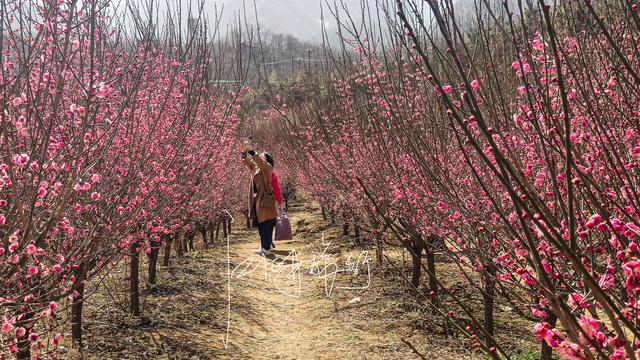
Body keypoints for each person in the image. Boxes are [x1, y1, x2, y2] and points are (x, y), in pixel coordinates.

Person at [241, 141, 283, 255]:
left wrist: (252, 151)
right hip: (256, 200)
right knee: (263, 224)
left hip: (264, 199)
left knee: (264, 224)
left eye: (262, 156)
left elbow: (260, 162)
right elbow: (247, 162)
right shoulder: (256, 168)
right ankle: (267, 245)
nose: (259, 156)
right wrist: (244, 152)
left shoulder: (267, 168)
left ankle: (266, 248)